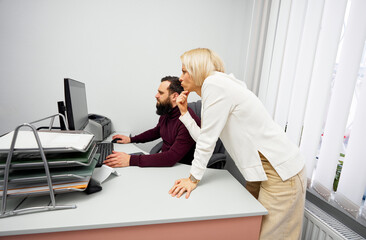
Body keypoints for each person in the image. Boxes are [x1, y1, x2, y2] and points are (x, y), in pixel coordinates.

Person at [168, 48, 306, 239]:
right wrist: (184, 113)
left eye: (184, 71)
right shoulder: (217, 85)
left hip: (280, 172)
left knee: (270, 236)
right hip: (261, 172)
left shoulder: (214, 84)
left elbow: (206, 142)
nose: (180, 78)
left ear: (197, 70)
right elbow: (205, 137)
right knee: (248, 230)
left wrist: (192, 179)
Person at [104, 76, 200, 168]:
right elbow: (157, 131)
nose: (156, 96)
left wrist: (130, 160)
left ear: (174, 96)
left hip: (181, 169)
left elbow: (171, 157)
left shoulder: (187, 121)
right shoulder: (168, 111)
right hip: (167, 165)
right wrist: (131, 139)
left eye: (161, 93)